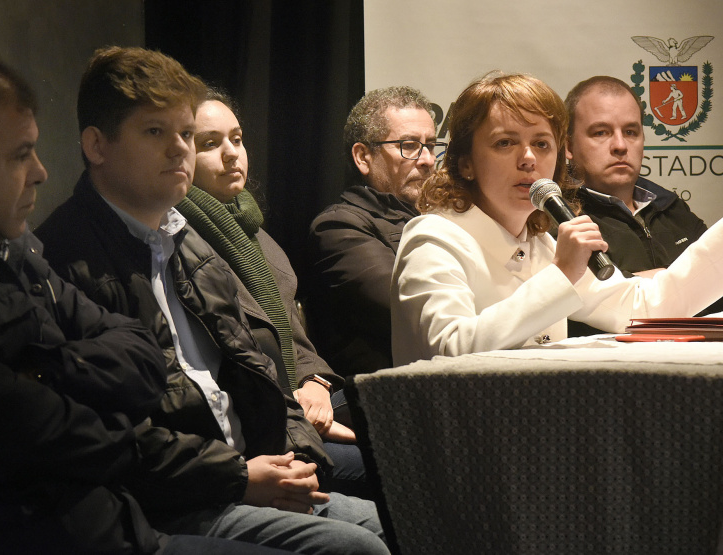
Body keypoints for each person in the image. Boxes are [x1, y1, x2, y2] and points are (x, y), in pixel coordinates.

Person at [0, 45, 289, 555]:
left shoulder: (13, 252)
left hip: (121, 523)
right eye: (20, 154)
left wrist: (41, 370)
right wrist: (226, 470)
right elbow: (34, 429)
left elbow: (140, 354)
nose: (41, 172)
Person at [35, 46, 387, 554]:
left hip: (240, 470)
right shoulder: (68, 258)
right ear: (96, 145)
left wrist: (295, 455)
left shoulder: (187, 238)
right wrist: (238, 476)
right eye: (155, 132)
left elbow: (259, 366)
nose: (179, 149)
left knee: (405, 520)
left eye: (183, 133)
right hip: (169, 501)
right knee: (359, 547)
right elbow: (112, 435)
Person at [390, 71, 723, 366]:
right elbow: (449, 351)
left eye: (541, 144)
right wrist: (560, 274)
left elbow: (645, 308)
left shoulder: (541, 243)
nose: (528, 158)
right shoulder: (434, 238)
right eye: (505, 142)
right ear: (466, 163)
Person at [176, 89, 370, 497]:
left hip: (301, 398)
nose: (232, 154)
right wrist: (294, 404)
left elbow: (294, 337)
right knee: (396, 466)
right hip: (265, 421)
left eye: (237, 138)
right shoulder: (179, 240)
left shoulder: (255, 233)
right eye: (210, 144)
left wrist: (314, 380)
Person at [563, 75, 723, 323]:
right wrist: (696, 278)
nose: (620, 145)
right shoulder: (560, 216)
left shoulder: (668, 204)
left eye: (630, 132)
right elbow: (599, 305)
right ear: (569, 146)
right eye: (601, 132)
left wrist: (657, 279)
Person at [307, 86, 443, 375]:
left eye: (430, 145)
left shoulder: (446, 218)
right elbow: (415, 313)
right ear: (363, 157)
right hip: (380, 402)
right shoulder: (338, 227)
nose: (428, 159)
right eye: (409, 145)